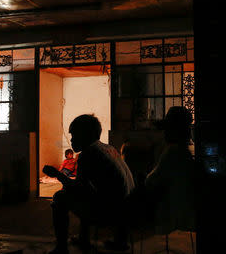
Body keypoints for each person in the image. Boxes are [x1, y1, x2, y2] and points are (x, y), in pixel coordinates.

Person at [43, 114, 135, 254]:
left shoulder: (88, 154)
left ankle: (61, 248)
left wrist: (57, 175)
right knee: (90, 192)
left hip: (109, 213)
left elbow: (78, 188)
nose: (72, 140)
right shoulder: (108, 148)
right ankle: (115, 241)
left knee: (60, 197)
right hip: (126, 211)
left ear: (84, 134)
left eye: (73, 135)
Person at [145, 106, 197, 235]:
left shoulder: (174, 152)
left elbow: (151, 181)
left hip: (176, 209)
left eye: (167, 128)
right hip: (190, 206)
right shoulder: (192, 148)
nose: (164, 133)